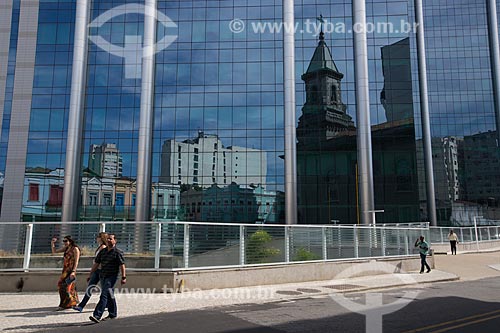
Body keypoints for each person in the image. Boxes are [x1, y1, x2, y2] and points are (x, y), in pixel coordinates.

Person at [89, 234, 126, 323]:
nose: (109, 240)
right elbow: (96, 264)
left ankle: (97, 315)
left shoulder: (117, 252)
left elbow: (122, 265)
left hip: (112, 276)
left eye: (111, 239)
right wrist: (90, 274)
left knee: (104, 294)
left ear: (115, 241)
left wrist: (123, 277)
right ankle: (112, 314)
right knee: (110, 294)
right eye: (108, 239)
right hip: (103, 276)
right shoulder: (103, 251)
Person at [73, 232, 108, 312]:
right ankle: (81, 306)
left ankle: (108, 304)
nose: (96, 238)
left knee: (104, 290)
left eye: (98, 237)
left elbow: (99, 261)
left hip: (101, 271)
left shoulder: (103, 248)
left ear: (102, 238)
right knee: (90, 287)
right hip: (97, 270)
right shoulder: (99, 247)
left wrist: (91, 272)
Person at [51, 235, 80, 310]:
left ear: (70, 241)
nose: (64, 243)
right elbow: (54, 252)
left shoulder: (75, 249)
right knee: (63, 286)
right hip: (65, 270)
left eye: (66, 241)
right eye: (63, 241)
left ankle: (66, 304)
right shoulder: (66, 248)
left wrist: (73, 271)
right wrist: (52, 243)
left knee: (67, 287)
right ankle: (70, 303)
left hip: (70, 270)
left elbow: (76, 261)